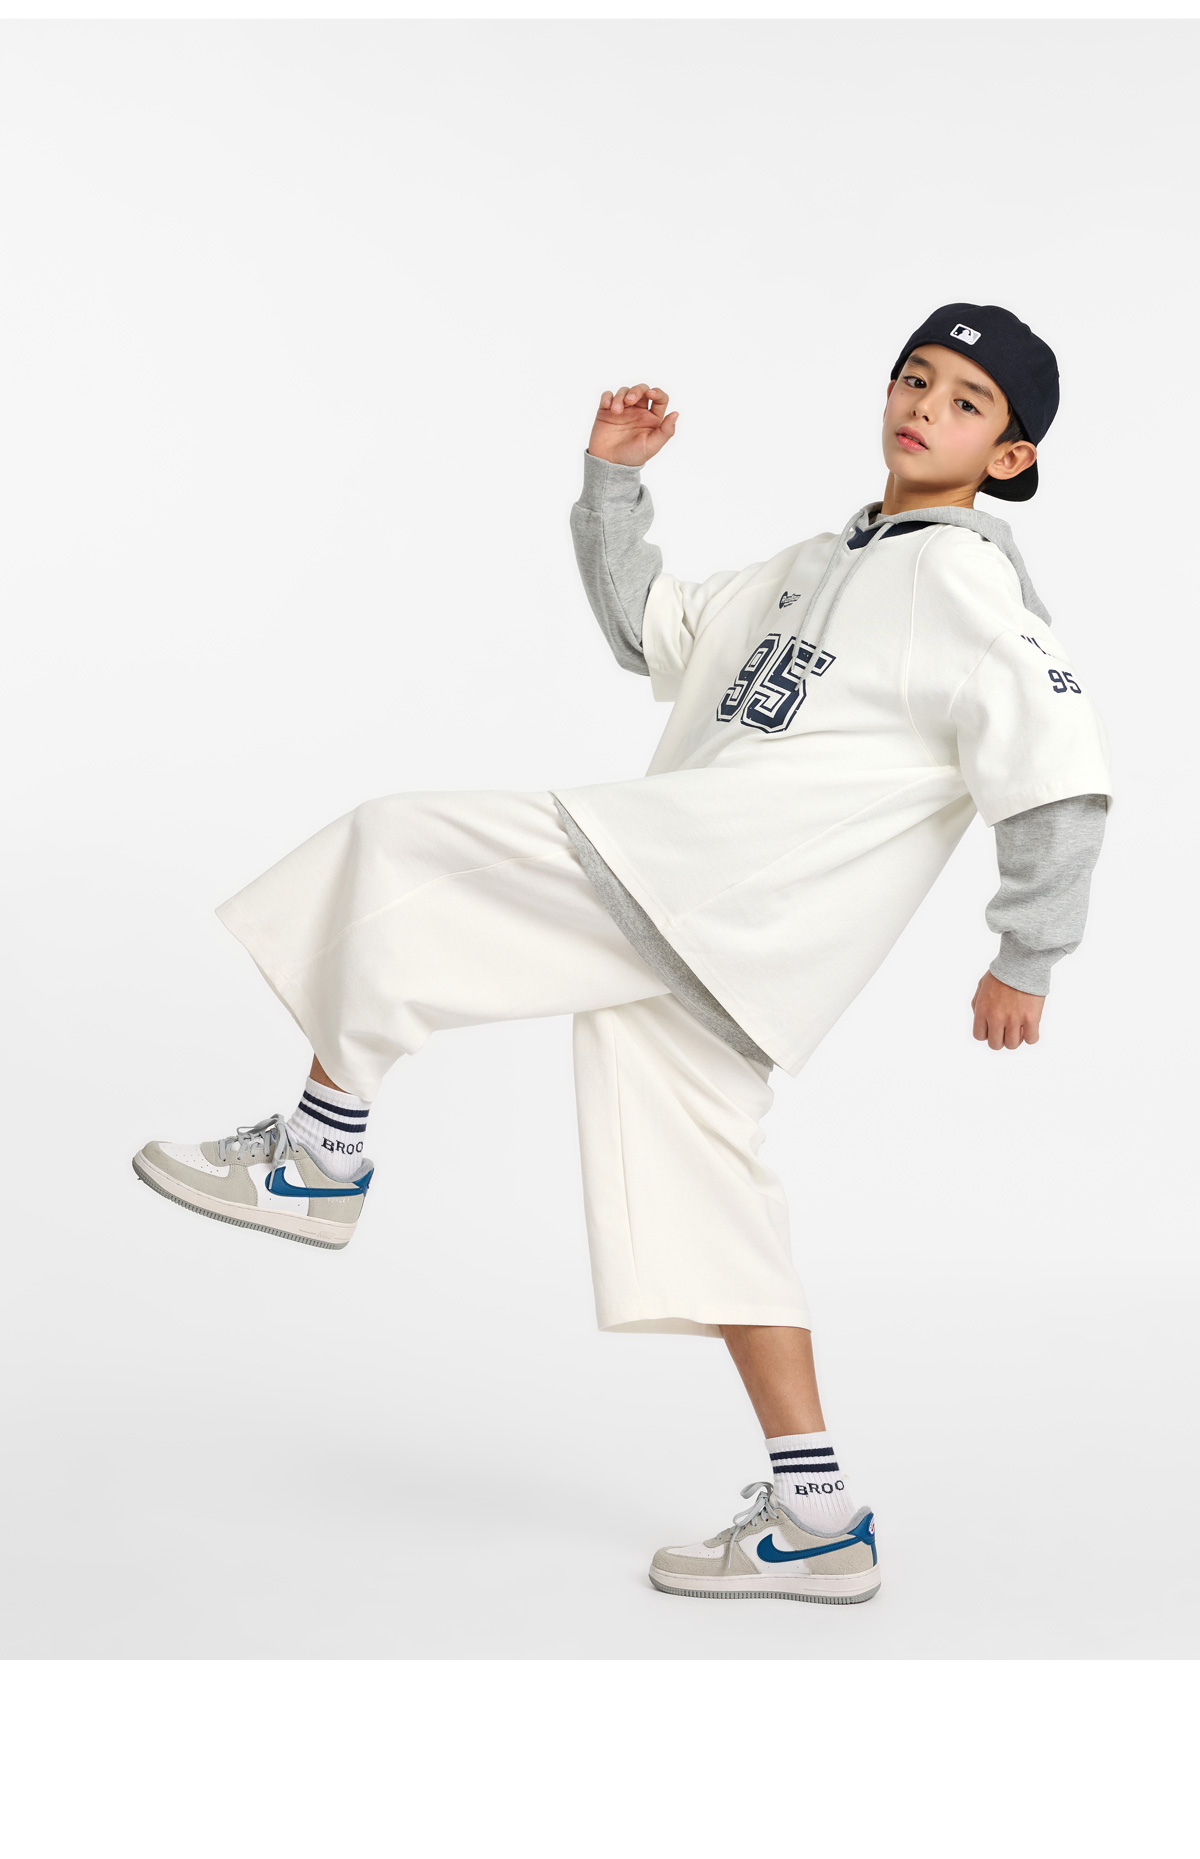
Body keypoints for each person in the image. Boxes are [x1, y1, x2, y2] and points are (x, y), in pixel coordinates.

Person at [134, 302, 1111, 1605]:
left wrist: (1026, 956)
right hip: (725, 936)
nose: (925, 406)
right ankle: (819, 1515)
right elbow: (650, 630)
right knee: (707, 1197)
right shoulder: (821, 560)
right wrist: (612, 484)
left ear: (1010, 456)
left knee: (401, 843)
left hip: (708, 878)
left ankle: (321, 1151)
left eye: (967, 402)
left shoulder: (970, 583)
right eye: (914, 378)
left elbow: (1058, 774)